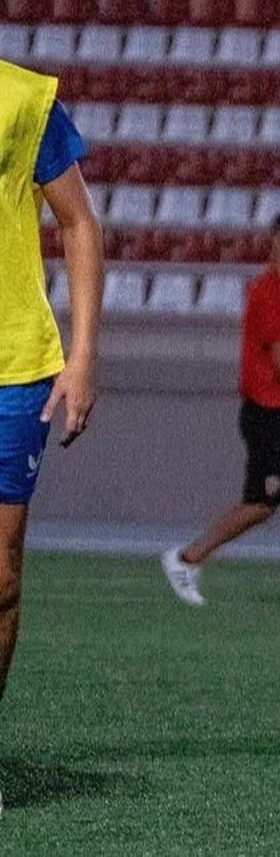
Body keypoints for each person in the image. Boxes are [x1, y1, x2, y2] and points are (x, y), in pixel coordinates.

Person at [160, 210, 280, 611]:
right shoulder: (268, 290)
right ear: (277, 240)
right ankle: (185, 559)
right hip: (268, 412)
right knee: (261, 504)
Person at [1, 60, 103, 711]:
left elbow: (78, 222)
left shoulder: (24, 100)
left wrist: (84, 353)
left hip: (12, 365)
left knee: (3, 576)